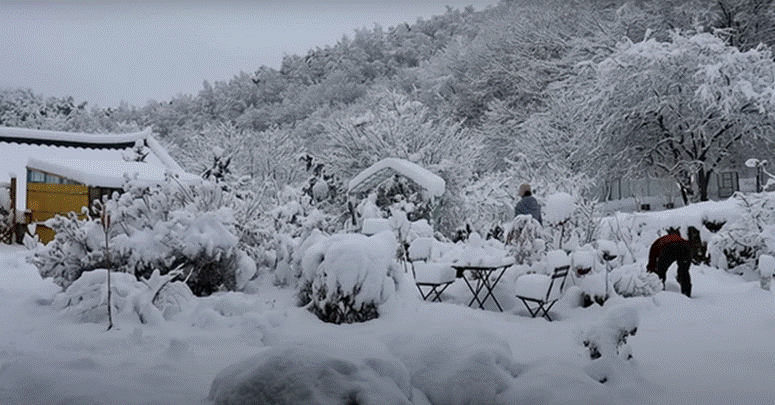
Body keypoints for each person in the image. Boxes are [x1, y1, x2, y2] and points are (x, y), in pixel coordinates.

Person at [647, 232, 692, 297]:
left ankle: (660, 292)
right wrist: (680, 277)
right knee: (684, 271)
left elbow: (652, 264)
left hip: (670, 247)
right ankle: (686, 293)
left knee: (660, 271)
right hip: (686, 247)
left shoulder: (655, 246)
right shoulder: (667, 239)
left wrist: (649, 274)